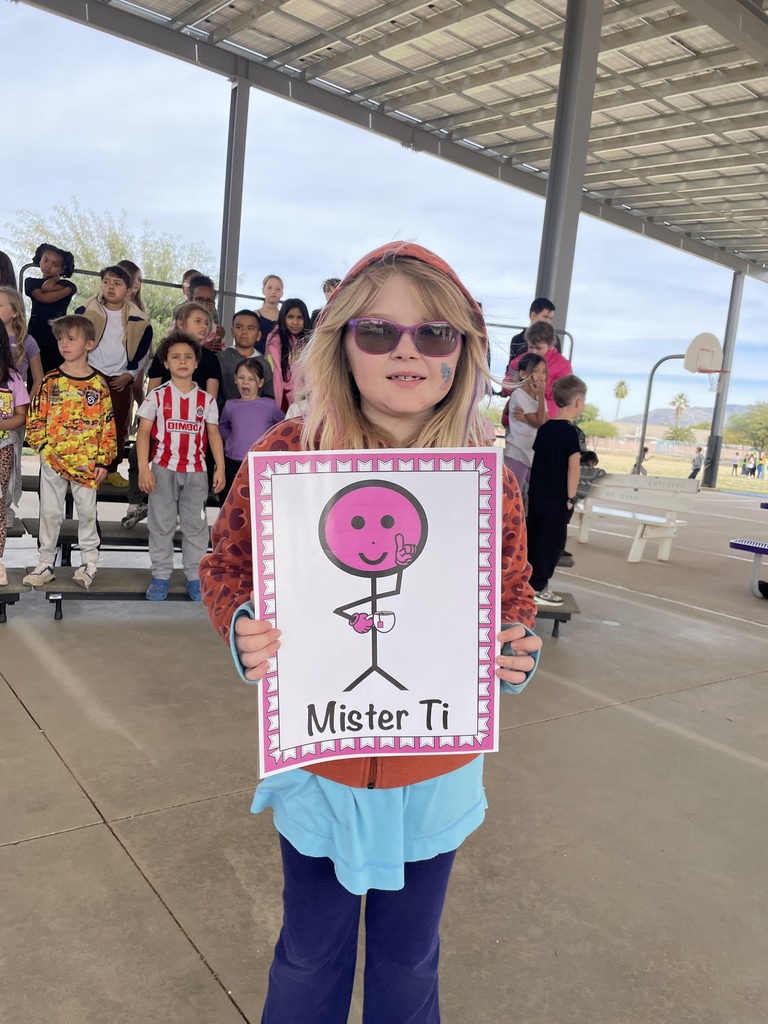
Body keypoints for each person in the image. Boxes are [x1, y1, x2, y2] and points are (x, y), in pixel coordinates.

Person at [199, 240, 541, 1024]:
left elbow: (513, 590)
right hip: (321, 763)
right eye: (379, 332)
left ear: (464, 352)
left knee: (409, 957)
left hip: (437, 771)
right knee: (310, 950)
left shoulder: (485, 477)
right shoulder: (288, 455)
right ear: (340, 345)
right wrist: (242, 623)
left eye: (436, 333)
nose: (408, 351)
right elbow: (227, 563)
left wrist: (515, 646)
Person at [23, 315, 116, 589]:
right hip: (53, 461)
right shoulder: (50, 381)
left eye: (71, 339)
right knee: (49, 513)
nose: (64, 344)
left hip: (87, 464)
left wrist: (103, 460)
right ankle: (45, 563)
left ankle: (88, 563)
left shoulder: (98, 385)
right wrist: (42, 448)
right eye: (61, 338)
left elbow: (107, 425)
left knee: (87, 513)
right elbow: (35, 419)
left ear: (89, 344)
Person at [136, 331, 225, 601]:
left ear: (197, 363)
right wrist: (143, 468)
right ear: (166, 363)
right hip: (162, 469)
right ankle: (161, 575)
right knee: (160, 524)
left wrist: (219, 467)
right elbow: (142, 433)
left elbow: (213, 435)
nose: (182, 361)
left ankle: (194, 577)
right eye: (175, 357)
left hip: (197, 472)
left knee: (195, 527)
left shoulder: (206, 401)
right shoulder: (157, 396)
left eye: (188, 357)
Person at [122, 301, 223, 529]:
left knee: (200, 456)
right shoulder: (162, 354)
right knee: (139, 454)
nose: (204, 326)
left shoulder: (211, 359)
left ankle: (188, 507)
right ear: (180, 324)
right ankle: (137, 501)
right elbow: (152, 390)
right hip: (163, 423)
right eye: (198, 321)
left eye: (207, 322)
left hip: (194, 423)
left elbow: (211, 396)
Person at [75, 265, 152, 487]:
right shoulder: (86, 310)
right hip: (91, 376)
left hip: (120, 379)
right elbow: (75, 339)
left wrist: (130, 374)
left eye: (117, 284)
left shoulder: (139, 319)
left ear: (128, 291)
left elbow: (140, 352)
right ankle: (84, 465)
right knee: (87, 422)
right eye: (106, 282)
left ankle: (111, 469)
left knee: (118, 425)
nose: (111, 287)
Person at [526, 374, 586, 607]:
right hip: (557, 498)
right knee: (552, 543)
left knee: (535, 539)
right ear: (578, 402)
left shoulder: (545, 429)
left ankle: (531, 583)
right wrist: (570, 498)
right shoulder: (571, 433)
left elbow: (537, 461)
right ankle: (539, 588)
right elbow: (573, 469)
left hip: (537, 495)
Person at [219, 356, 283, 501]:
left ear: (260, 383)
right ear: (235, 379)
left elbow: (282, 426)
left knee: (257, 501)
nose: (245, 382)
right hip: (233, 462)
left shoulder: (270, 405)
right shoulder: (230, 406)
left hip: (260, 463)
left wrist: (270, 444)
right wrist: (230, 440)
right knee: (232, 501)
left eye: (251, 379)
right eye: (241, 377)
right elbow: (222, 426)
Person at [0, 321, 30, 585]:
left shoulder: (13, 378)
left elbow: (22, 416)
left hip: (3, 449)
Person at [24, 243, 78, 374]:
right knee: (34, 376)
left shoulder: (68, 285)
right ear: (40, 259)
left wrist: (54, 280)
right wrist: (56, 285)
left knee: (54, 378)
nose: (48, 266)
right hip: (35, 336)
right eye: (45, 260)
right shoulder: (31, 282)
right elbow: (43, 298)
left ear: (62, 268)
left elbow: (46, 290)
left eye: (55, 265)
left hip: (57, 338)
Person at [502, 351, 547, 501]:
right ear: (522, 374)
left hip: (532, 451)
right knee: (513, 494)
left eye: (544, 371)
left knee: (537, 493)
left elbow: (544, 423)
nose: (541, 375)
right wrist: (540, 397)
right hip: (518, 450)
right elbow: (540, 422)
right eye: (536, 371)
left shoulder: (539, 396)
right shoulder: (519, 394)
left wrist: (529, 419)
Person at [504, 321, 571, 419]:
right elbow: (506, 386)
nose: (534, 351)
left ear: (550, 345)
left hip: (546, 420)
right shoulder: (517, 361)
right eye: (531, 347)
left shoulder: (563, 364)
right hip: (517, 416)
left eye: (539, 348)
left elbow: (563, 395)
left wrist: (537, 380)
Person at [264, 298, 311, 413]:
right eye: (290, 317)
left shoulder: (310, 343)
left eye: (300, 317)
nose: (295, 322)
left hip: (305, 396)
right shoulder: (275, 341)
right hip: (281, 395)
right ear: (283, 318)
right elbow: (275, 374)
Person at [218, 309, 274, 403]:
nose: (244, 332)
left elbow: (269, 396)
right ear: (232, 332)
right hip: (224, 415)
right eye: (239, 327)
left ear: (258, 335)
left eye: (251, 328)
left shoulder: (264, 364)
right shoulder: (220, 359)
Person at [186, 274, 226, 352]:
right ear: (191, 300)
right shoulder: (179, 325)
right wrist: (202, 349)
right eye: (199, 299)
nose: (204, 305)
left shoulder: (218, 331)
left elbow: (222, 359)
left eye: (209, 301)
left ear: (213, 305)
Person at [508, 296, 555, 362]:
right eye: (545, 317)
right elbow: (511, 366)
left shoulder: (554, 340)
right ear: (533, 315)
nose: (548, 322)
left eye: (550, 318)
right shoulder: (517, 339)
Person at [254, 274, 284, 351]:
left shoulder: (284, 317)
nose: (273, 291)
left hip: (278, 360)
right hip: (257, 359)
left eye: (278, 289)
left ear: (282, 293)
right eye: (269, 288)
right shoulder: (255, 315)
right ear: (263, 290)